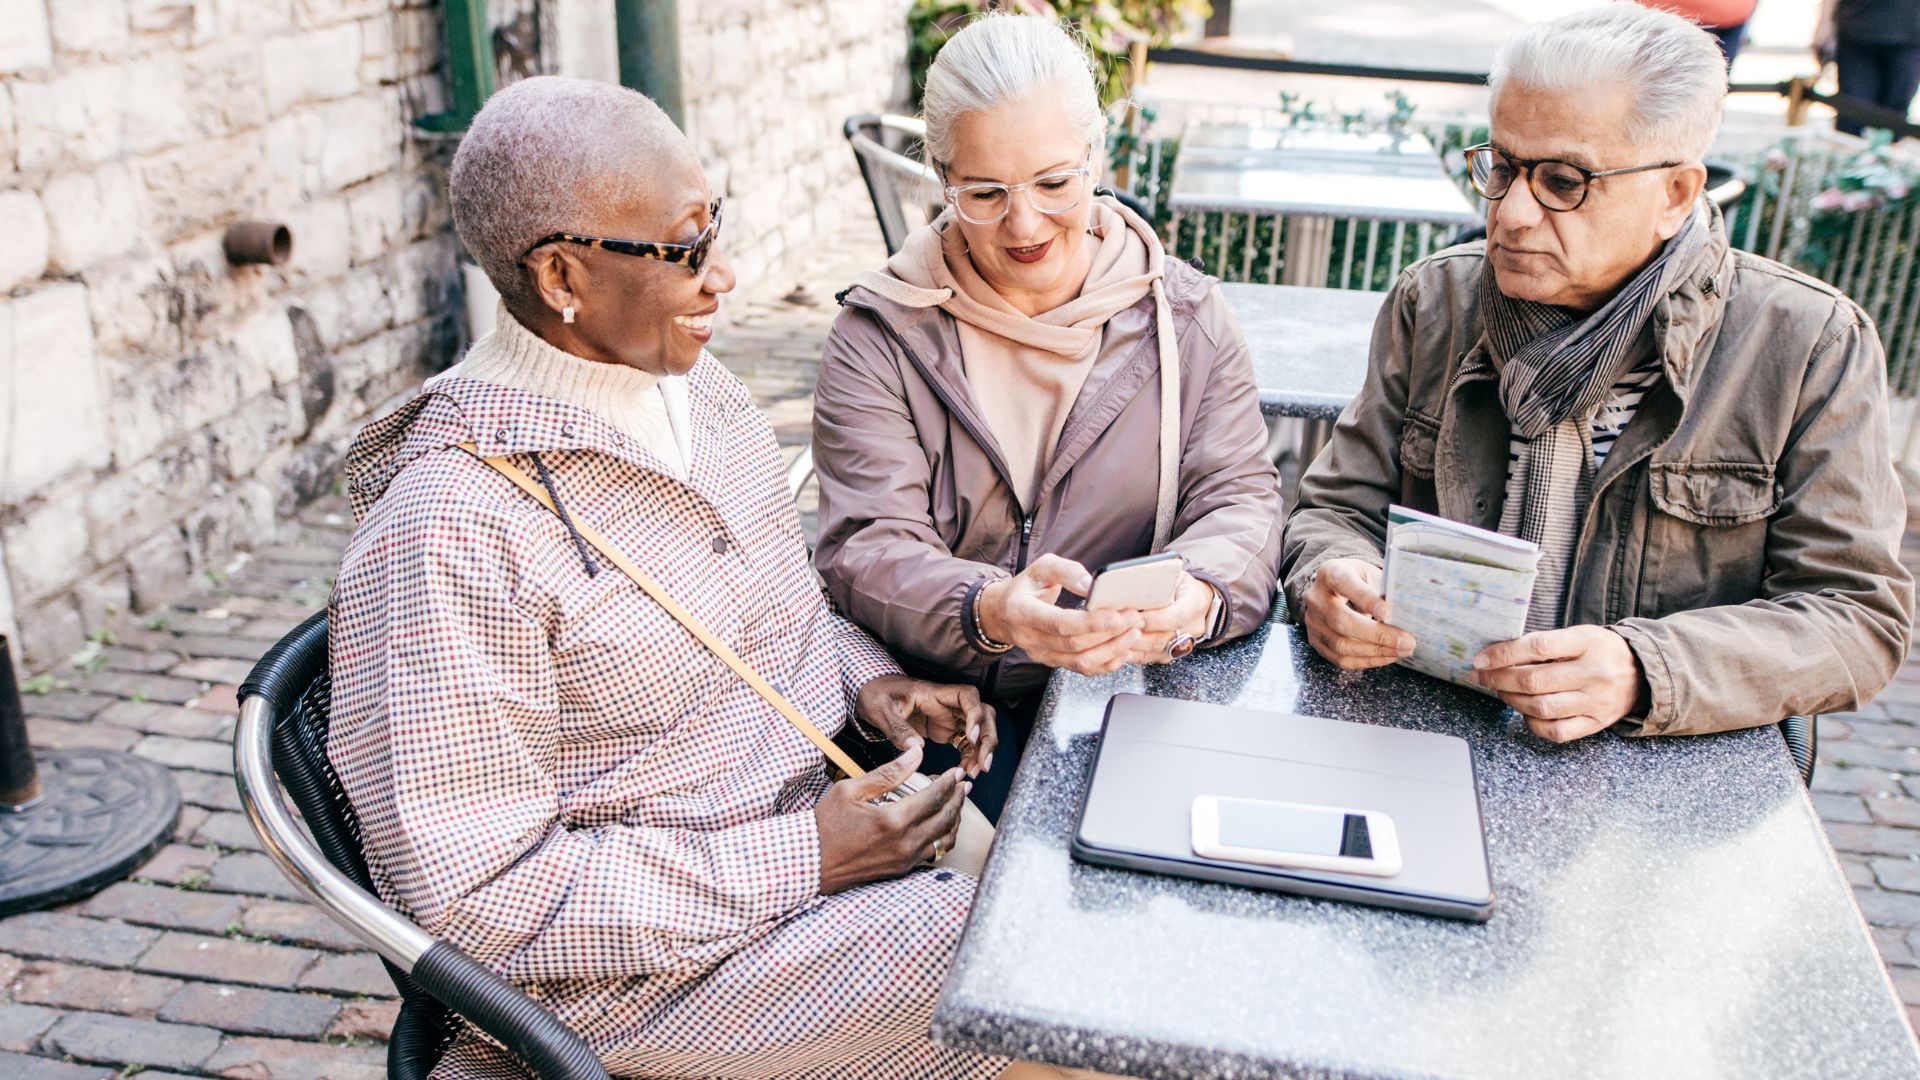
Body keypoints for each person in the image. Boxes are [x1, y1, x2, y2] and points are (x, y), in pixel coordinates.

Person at [326, 74, 1089, 1080]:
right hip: (630, 988)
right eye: (685, 249)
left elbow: (764, 617)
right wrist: (804, 856)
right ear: (562, 275)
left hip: (800, 880)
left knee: (1074, 890)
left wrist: (865, 680)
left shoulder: (704, 395)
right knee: (1048, 975)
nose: (723, 274)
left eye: (713, 227)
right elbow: (480, 906)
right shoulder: (449, 533)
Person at [1284, 5, 1913, 743]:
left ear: (1676, 194)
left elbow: (1857, 617)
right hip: (1419, 731)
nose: (1513, 213)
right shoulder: (1436, 302)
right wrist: (1333, 576)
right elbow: (1335, 508)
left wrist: (1645, 669)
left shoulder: (1808, 344)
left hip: (1660, 775)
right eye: (1502, 167)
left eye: (1563, 181)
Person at [812, 14, 1284, 819]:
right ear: (940, 177)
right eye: (986, 194)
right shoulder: (878, 337)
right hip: (942, 716)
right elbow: (867, 546)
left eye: (1055, 183)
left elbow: (1239, 499)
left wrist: (1199, 596)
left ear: (1097, 159)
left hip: (1129, 704)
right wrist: (991, 610)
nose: (1025, 225)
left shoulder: (1189, 319)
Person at [1816, 0, 1920, 134]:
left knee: (1895, 119)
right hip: (1857, 34)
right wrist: (1824, 23)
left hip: (1909, 38)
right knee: (1852, 114)